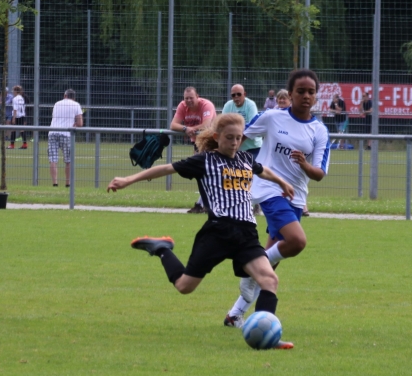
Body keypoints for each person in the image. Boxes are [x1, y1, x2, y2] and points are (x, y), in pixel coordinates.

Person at [108, 113, 296, 349]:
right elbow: (166, 168)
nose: (234, 143)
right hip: (218, 233)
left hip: (246, 233)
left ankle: (269, 337)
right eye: (229, 138)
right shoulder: (204, 161)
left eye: (238, 138)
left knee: (269, 280)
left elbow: (262, 170)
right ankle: (162, 249)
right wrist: (128, 180)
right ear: (217, 137)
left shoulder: (245, 159)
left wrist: (282, 182)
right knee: (184, 286)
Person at [224, 68, 331, 328]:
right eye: (300, 91)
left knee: (273, 259)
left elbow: (319, 174)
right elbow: (239, 135)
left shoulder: (319, 130)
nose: (306, 96)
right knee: (297, 241)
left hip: (296, 196)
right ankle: (251, 270)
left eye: (311, 92)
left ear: (316, 96)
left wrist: (304, 165)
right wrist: (219, 155)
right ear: (290, 94)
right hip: (269, 189)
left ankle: (236, 314)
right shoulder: (272, 117)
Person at [172, 86, 217, 213]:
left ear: (197, 96)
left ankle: (204, 204)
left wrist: (191, 129)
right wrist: (185, 129)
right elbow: (173, 125)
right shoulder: (182, 106)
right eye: (186, 98)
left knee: (208, 173)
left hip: (211, 142)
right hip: (198, 143)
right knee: (201, 173)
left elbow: (206, 125)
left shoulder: (206, 105)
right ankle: (203, 204)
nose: (188, 101)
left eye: (191, 98)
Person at [48, 89, 84, 187]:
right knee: (69, 160)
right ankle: (68, 183)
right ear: (74, 97)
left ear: (65, 95)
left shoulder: (57, 104)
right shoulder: (76, 105)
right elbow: (80, 123)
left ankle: (55, 183)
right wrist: (75, 123)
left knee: (53, 159)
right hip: (66, 134)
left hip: (53, 132)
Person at [222, 84, 261, 159]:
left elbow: (252, 126)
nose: (236, 97)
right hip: (234, 148)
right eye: (233, 95)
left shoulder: (251, 105)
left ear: (244, 94)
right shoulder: (228, 105)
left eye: (239, 94)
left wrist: (234, 134)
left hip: (253, 147)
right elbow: (223, 124)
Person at [9, 85, 28, 149]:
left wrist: (13, 118)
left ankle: (12, 145)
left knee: (13, 130)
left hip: (17, 116)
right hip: (22, 115)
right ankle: (25, 144)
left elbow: (15, 109)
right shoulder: (21, 98)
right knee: (22, 130)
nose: (13, 92)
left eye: (13, 91)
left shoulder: (15, 99)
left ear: (15, 91)